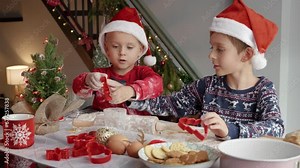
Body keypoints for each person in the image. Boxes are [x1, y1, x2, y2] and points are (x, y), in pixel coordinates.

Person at [127, 0, 284, 139]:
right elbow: (171, 104)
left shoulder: (264, 89)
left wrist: (230, 129)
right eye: (212, 47)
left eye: (220, 49)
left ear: (247, 54)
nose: (211, 55)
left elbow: (276, 128)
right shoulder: (207, 86)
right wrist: (130, 96)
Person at [73, 7, 163, 115]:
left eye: (129, 47)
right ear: (106, 49)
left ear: (140, 50)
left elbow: (157, 85)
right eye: (115, 46)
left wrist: (131, 90)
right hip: (103, 126)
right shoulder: (101, 73)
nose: (122, 52)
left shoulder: (143, 72)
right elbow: (77, 89)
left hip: (136, 127)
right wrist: (87, 80)